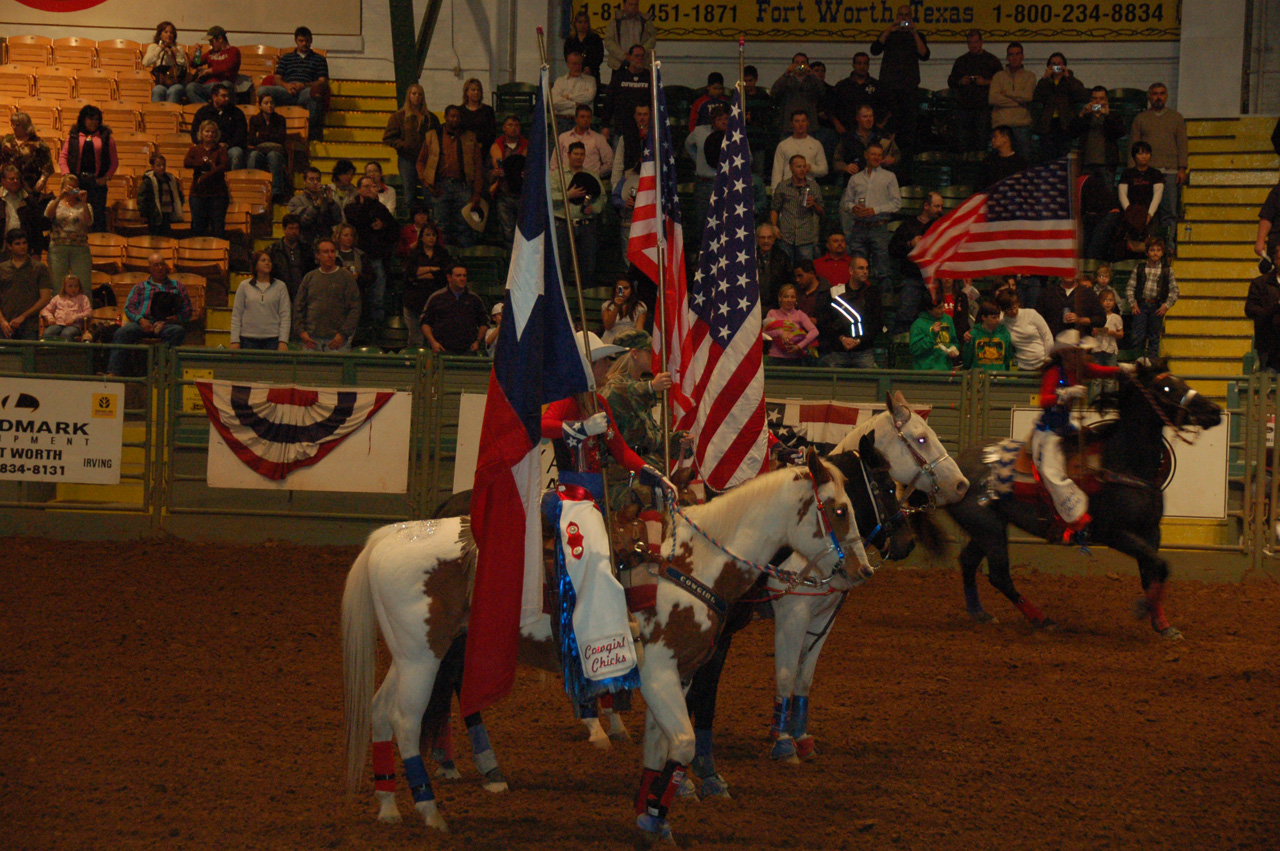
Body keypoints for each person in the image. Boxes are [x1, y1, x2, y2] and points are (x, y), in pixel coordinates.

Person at [1032, 329, 1123, 544]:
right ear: (1064, 354)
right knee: (1051, 471)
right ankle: (1073, 520)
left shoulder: (1081, 370)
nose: (1080, 357)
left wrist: (1123, 370)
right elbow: (1043, 400)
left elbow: (1102, 371)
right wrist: (1064, 394)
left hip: (1067, 427)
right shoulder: (1055, 371)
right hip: (1049, 431)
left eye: (1081, 353)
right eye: (1075, 353)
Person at [106, 253, 191, 374]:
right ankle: (113, 372)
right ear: (149, 268)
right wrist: (141, 320)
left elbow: (187, 310)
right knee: (122, 332)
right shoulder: (140, 287)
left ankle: (159, 370)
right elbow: (129, 307)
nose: (160, 268)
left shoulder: (177, 286)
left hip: (167, 324)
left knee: (178, 331)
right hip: (143, 322)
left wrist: (176, 318)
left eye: (162, 264)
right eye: (156, 265)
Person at [1128, 83, 1188, 253]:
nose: (1158, 97)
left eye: (1162, 93)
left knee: (1169, 212)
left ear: (1167, 96)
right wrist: (1133, 172)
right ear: (1149, 96)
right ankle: (1151, 247)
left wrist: (1182, 168)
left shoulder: (1176, 118)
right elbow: (1133, 146)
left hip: (1170, 172)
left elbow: (1182, 144)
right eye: (1154, 94)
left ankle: (1169, 247)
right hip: (1147, 173)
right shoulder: (1140, 119)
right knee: (1148, 213)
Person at [417, 105, 485, 250]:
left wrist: (477, 192)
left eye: (458, 117)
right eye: (452, 116)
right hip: (440, 186)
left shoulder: (470, 137)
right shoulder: (432, 136)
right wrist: (427, 182)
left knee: (465, 225)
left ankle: (465, 261)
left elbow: (478, 166)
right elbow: (421, 161)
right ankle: (443, 259)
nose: (455, 119)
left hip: (463, 186)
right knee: (441, 226)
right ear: (445, 117)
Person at [870, 5, 930, 163]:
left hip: (908, 91)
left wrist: (914, 32)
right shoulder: (889, 35)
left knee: (908, 132)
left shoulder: (917, 36)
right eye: (901, 15)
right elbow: (874, 49)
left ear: (912, 17)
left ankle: (905, 166)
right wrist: (889, 30)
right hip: (889, 90)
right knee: (887, 130)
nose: (904, 18)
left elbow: (924, 54)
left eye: (907, 15)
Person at [255, 26, 329, 141]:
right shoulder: (286, 58)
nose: (304, 44)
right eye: (301, 41)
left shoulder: (319, 59)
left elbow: (322, 81)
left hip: (305, 91)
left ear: (311, 41)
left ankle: (311, 131)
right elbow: (277, 78)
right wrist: (286, 85)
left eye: (307, 41)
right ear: (296, 41)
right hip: (287, 91)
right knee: (262, 91)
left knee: (315, 95)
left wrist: (303, 85)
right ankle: (268, 127)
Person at [840, 143, 900, 284]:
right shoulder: (855, 178)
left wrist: (875, 210)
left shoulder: (889, 177)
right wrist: (854, 208)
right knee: (857, 268)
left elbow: (897, 204)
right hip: (859, 226)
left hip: (878, 226)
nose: (876, 157)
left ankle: (884, 302)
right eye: (873, 154)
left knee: (882, 269)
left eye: (879, 155)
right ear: (866, 155)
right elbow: (846, 202)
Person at [344, 175, 398, 326]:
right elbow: (359, 221)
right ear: (359, 190)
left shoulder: (380, 208)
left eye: (372, 187)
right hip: (357, 258)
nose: (370, 190)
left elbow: (395, 231)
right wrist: (370, 202)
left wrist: (383, 226)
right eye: (366, 187)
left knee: (377, 298)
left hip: (376, 257)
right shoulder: (351, 207)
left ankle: (376, 330)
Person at [888, 189, 944, 334]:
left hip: (934, 279)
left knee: (936, 316)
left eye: (941, 206)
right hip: (912, 277)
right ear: (926, 206)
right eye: (937, 206)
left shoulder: (941, 226)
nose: (940, 210)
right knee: (905, 316)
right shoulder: (908, 225)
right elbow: (893, 249)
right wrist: (910, 244)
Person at [552, 141, 605, 291]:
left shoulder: (591, 175)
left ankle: (585, 298)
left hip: (586, 225)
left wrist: (593, 208)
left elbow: (602, 197)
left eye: (581, 154)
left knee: (587, 267)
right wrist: (568, 194)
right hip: (563, 225)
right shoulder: (557, 176)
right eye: (575, 154)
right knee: (561, 265)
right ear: (568, 155)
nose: (578, 157)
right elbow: (548, 197)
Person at [293, 237, 360, 350]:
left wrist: (343, 334)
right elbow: (299, 306)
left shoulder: (346, 277)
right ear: (317, 255)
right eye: (325, 252)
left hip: (337, 340)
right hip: (311, 339)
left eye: (332, 251)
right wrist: (302, 332)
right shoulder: (310, 277)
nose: (330, 255)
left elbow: (355, 308)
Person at [58, 106, 118, 233]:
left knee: (97, 216)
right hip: (77, 182)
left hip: (97, 184)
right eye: (91, 119)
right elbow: (63, 157)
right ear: (83, 119)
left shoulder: (106, 137)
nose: (94, 122)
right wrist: (67, 175)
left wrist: (106, 178)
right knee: (76, 214)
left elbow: (114, 162)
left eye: (97, 119)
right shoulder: (73, 136)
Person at [819, 253, 881, 368]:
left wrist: (859, 341)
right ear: (851, 271)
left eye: (867, 268)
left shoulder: (872, 294)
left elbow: (876, 322)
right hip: (839, 351)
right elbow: (826, 321)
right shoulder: (835, 294)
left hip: (864, 352)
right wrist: (841, 338)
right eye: (861, 268)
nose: (865, 271)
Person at [383, 84, 439, 208]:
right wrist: (404, 146)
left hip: (426, 160)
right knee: (410, 193)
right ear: (409, 95)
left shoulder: (430, 118)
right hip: (406, 159)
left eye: (420, 94)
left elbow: (437, 138)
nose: (417, 97)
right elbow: (388, 137)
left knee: (428, 192)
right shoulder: (398, 117)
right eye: (414, 93)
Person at [947, 30, 1003, 154]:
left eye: (976, 42)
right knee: (962, 142)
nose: (973, 45)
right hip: (964, 107)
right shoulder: (961, 61)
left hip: (983, 108)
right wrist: (961, 81)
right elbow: (951, 81)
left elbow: (1002, 81)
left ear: (981, 42)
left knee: (981, 141)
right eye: (970, 43)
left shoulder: (991, 60)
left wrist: (985, 82)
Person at [1124, 236, 1177, 361]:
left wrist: (1166, 305)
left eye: (1158, 250)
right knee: (1137, 336)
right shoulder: (1140, 268)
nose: (1155, 253)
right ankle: (1138, 363)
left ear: (1162, 252)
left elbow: (1174, 291)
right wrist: (1133, 303)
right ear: (1147, 252)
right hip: (1141, 306)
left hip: (1157, 306)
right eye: (1152, 250)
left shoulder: (1167, 270)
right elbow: (1130, 287)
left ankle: (1152, 364)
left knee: (1154, 338)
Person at [420, 263, 488, 355]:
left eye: (464, 276)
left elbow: (484, 323)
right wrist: (433, 342)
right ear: (449, 277)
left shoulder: (474, 299)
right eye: (458, 276)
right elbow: (425, 323)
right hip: (442, 350)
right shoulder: (436, 298)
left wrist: (478, 342)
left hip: (468, 351)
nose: (462, 278)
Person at [402, 221, 450, 348]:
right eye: (428, 235)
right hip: (414, 301)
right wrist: (431, 269)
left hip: (436, 302)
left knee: (434, 339)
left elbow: (443, 275)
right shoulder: (414, 253)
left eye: (433, 235)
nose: (431, 238)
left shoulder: (443, 254)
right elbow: (410, 274)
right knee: (415, 339)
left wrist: (421, 273)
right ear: (421, 237)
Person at [43, 175, 93, 296]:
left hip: (80, 248)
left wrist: (84, 201)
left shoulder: (85, 205)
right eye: (68, 187)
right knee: (57, 285)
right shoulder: (55, 203)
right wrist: (60, 196)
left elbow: (89, 222)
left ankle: (83, 312)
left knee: (83, 284)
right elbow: (47, 215)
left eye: (74, 188)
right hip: (58, 247)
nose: (71, 190)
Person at [230, 250, 291, 350]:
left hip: (273, 339)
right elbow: (237, 315)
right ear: (256, 265)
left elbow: (285, 316)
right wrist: (234, 340)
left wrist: (283, 341)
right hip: (248, 339)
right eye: (263, 260)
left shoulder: (280, 286)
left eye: (269, 261)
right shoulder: (244, 286)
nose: (267, 263)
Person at [1033, 53, 1087, 162]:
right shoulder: (1046, 82)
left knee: (1064, 157)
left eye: (1059, 64)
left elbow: (1082, 95)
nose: (1057, 66)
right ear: (1049, 66)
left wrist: (1068, 77)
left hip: (1065, 124)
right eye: (1054, 64)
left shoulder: (1070, 80)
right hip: (1048, 124)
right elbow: (1037, 97)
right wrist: (1044, 78)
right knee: (1048, 157)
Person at [685, 105, 729, 240]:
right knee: (702, 222)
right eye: (720, 119)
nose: (724, 122)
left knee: (724, 223)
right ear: (713, 120)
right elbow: (688, 145)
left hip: (726, 184)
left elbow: (747, 158)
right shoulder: (700, 131)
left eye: (726, 119)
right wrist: (699, 160)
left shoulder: (736, 134)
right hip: (704, 183)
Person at [0, 229, 53, 340]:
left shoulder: (39, 268)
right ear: (9, 246)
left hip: (29, 326)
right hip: (5, 325)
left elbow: (46, 298)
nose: (22, 246)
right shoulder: (2, 268)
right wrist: (2, 321)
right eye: (17, 244)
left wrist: (23, 316)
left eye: (24, 243)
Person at [771, 155, 824, 265]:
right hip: (786, 237)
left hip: (805, 238)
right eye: (799, 166)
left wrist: (813, 204)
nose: (802, 169)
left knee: (806, 270)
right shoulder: (782, 186)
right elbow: (774, 208)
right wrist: (774, 226)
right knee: (784, 269)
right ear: (791, 168)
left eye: (804, 166)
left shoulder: (813, 186)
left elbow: (822, 212)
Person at [988, 42, 1036, 162]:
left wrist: (1007, 93)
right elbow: (993, 99)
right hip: (1001, 126)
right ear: (1007, 57)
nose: (1014, 57)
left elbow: (1028, 97)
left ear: (1022, 56)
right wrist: (1019, 101)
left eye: (1017, 54)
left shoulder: (1030, 76)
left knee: (1024, 163)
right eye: (1011, 55)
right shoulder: (998, 76)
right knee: (998, 164)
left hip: (1022, 126)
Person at [185, 120, 231, 238]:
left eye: (212, 132)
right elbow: (187, 162)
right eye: (207, 131)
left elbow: (225, 165)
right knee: (197, 226)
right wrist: (203, 163)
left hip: (218, 193)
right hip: (198, 193)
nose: (210, 134)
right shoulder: (195, 149)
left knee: (218, 227)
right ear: (201, 133)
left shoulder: (220, 150)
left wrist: (207, 174)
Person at [1118, 141, 1165, 257]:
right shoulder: (1127, 174)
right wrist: (1130, 213)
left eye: (1147, 153)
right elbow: (1122, 193)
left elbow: (1157, 195)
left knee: (1151, 244)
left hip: (1150, 216)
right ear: (1134, 156)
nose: (1144, 156)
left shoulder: (1156, 174)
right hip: (1131, 216)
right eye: (1140, 154)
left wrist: (1149, 214)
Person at [1070, 87, 1126, 184]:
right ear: (1091, 100)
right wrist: (1081, 115)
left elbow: (1120, 132)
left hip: (1107, 165)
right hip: (1086, 164)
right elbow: (1072, 133)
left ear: (1106, 100)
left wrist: (1107, 115)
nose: (1098, 102)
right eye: (1095, 98)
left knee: (1107, 195)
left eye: (1101, 98)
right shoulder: (1086, 116)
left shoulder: (1113, 116)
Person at [190, 83, 248, 172]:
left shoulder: (236, 113)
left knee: (237, 153)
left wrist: (227, 144)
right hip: (208, 147)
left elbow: (241, 134)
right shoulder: (203, 112)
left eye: (227, 96)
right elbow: (194, 132)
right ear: (214, 97)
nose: (227, 99)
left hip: (229, 147)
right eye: (223, 96)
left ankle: (233, 181)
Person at [833, 104, 901, 180]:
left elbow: (897, 155)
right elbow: (836, 161)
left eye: (871, 116)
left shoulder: (883, 136)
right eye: (865, 117)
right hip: (855, 181)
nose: (869, 119)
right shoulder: (847, 138)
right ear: (857, 118)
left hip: (879, 181)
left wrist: (892, 160)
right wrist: (845, 167)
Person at [491, 116, 529, 247]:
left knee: (524, 230)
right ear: (504, 128)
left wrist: (529, 174)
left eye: (516, 125)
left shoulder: (528, 147)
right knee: (508, 232)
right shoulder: (496, 147)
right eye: (510, 125)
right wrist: (494, 174)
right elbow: (486, 171)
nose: (513, 128)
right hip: (504, 194)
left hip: (523, 195)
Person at [996, 289, 1054, 371]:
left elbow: (1047, 337)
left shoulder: (1031, 314)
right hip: (1021, 366)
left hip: (1042, 363)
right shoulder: (1003, 323)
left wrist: (1047, 359)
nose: (1014, 311)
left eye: (1015, 307)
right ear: (1003, 310)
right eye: (1009, 309)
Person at [770, 53, 826, 137]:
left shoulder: (812, 80)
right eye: (797, 62)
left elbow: (822, 92)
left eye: (803, 62)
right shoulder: (787, 80)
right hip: (789, 126)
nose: (800, 65)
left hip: (809, 126)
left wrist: (812, 75)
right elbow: (774, 91)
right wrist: (786, 74)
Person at [247, 92, 289, 202]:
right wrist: (270, 137)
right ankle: (253, 189)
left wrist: (261, 136)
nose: (269, 105)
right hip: (260, 150)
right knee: (253, 156)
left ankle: (276, 192)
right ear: (260, 106)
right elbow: (251, 139)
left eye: (271, 103)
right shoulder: (254, 119)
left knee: (273, 155)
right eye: (266, 103)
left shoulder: (280, 119)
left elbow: (281, 138)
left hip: (275, 150)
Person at [603, 45, 652, 138]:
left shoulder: (649, 77)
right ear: (629, 57)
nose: (640, 59)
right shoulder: (619, 76)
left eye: (642, 56)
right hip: (621, 128)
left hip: (644, 129)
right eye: (637, 56)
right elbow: (609, 101)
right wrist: (605, 125)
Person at [1038, 272, 1106, 339]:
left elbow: (1101, 319)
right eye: (1066, 270)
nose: (1069, 273)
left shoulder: (1088, 293)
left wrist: (1080, 320)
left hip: (1080, 345)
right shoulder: (1048, 292)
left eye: (1072, 270)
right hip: (1053, 343)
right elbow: (1037, 319)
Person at [0, 112, 54, 194]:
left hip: (29, 185)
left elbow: (47, 165)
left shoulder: (38, 143)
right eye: (13, 124)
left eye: (18, 125)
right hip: (7, 185)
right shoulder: (6, 140)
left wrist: (42, 180)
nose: (14, 127)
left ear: (26, 126)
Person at [771, 110, 828, 189]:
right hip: (787, 189)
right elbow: (777, 172)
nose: (800, 124)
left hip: (809, 189)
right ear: (792, 124)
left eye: (803, 121)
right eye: (797, 121)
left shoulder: (816, 144)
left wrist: (811, 169)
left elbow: (824, 170)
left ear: (808, 123)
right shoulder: (783, 145)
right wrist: (775, 192)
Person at [764, 283, 820, 363]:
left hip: (796, 358)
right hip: (776, 358)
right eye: (786, 297)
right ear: (780, 298)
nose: (789, 300)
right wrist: (780, 333)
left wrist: (799, 346)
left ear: (796, 299)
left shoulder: (800, 314)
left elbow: (814, 331)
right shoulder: (772, 313)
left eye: (792, 297)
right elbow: (765, 331)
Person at [287, 167, 342, 247]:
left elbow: (337, 219)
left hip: (324, 242)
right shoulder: (296, 201)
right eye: (311, 179)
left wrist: (331, 202)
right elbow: (303, 221)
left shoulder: (326, 200)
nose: (315, 182)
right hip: (305, 243)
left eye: (318, 179)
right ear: (305, 181)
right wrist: (317, 204)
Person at [1245, 243, 1280, 371]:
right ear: (1275, 260)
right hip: (1268, 346)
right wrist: (1275, 307)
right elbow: (1250, 310)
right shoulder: (1260, 283)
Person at [186, 26, 242, 105]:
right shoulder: (211, 53)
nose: (210, 44)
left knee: (226, 85)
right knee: (191, 87)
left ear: (220, 39)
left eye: (212, 41)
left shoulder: (233, 51)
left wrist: (209, 71)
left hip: (223, 84)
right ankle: (206, 110)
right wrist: (198, 53)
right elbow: (194, 64)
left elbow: (228, 66)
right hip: (208, 86)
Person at [832, 52, 883, 138]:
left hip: (872, 134)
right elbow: (830, 109)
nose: (862, 66)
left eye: (865, 63)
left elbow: (886, 107)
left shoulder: (877, 86)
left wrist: (881, 125)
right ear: (853, 65)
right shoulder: (842, 86)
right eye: (859, 63)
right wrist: (837, 125)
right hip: (846, 132)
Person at [0, 165, 45, 258]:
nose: (15, 181)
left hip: (24, 250)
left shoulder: (28, 200)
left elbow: (36, 227)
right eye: (11, 179)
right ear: (3, 181)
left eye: (17, 179)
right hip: (2, 249)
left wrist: (37, 252)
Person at [267, 213, 315, 300]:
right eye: (291, 228)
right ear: (284, 229)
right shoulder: (273, 250)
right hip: (281, 295)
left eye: (296, 228)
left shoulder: (307, 250)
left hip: (303, 295)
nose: (294, 231)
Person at [136, 154, 186, 237]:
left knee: (167, 235)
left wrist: (179, 204)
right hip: (154, 214)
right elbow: (142, 198)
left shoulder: (170, 179)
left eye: (164, 165)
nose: (162, 167)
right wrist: (143, 213)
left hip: (168, 213)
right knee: (155, 236)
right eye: (158, 165)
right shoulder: (148, 181)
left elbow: (178, 194)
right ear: (152, 167)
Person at [559, 106, 611, 183]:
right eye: (582, 117)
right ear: (576, 118)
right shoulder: (563, 137)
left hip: (590, 180)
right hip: (566, 180)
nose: (585, 119)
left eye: (588, 117)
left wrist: (596, 173)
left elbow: (609, 162)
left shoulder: (599, 138)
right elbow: (554, 164)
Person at [910, 289, 959, 371]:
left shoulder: (947, 320)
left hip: (946, 369)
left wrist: (953, 348)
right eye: (939, 308)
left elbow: (954, 341)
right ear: (929, 309)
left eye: (943, 306)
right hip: (926, 372)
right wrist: (932, 335)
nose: (943, 310)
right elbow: (915, 349)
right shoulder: (918, 325)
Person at [603, 0, 656, 74]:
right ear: (624, 5)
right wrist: (623, 56)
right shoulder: (615, 22)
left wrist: (639, 55)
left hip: (640, 65)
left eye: (636, 5)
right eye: (631, 4)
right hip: (619, 64)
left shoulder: (646, 22)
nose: (633, 7)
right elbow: (609, 42)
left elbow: (652, 40)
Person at [552, 52, 597, 135]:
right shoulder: (560, 81)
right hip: (561, 122)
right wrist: (575, 104)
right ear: (568, 64)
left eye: (579, 64)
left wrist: (568, 96)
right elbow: (554, 102)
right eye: (574, 64)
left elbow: (589, 97)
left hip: (582, 123)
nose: (577, 67)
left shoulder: (590, 81)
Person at [143, 21, 188, 103]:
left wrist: (176, 53)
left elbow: (183, 64)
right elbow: (146, 63)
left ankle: (170, 113)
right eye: (166, 32)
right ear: (160, 34)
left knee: (174, 90)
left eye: (171, 33)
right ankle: (156, 114)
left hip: (175, 82)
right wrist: (160, 49)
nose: (169, 35)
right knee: (157, 90)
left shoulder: (178, 48)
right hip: (161, 82)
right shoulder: (154, 47)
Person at [40, 274, 92, 341]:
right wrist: (50, 318)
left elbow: (89, 312)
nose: (73, 289)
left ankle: (66, 351)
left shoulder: (83, 298)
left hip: (74, 325)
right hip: (58, 323)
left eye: (76, 286)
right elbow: (45, 310)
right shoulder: (58, 298)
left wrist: (74, 318)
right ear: (64, 287)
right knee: (48, 332)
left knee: (66, 334)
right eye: (70, 286)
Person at [962, 301, 1012, 371]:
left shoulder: (1004, 333)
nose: (997, 320)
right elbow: (967, 358)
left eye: (998, 317)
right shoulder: (974, 333)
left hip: (999, 376)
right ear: (984, 317)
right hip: (979, 376)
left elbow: (1008, 357)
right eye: (994, 317)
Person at [601, 276, 647, 344]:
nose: (622, 291)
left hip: (630, 339)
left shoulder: (639, 307)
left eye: (626, 288)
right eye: (619, 288)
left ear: (631, 289)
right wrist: (616, 307)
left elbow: (639, 329)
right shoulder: (607, 305)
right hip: (611, 340)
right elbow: (608, 326)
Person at [757, 223, 793, 310]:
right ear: (757, 239)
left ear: (774, 239)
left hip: (776, 306)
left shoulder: (782, 257)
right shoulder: (749, 257)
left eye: (769, 237)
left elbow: (788, 283)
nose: (766, 241)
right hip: (754, 306)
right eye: (762, 237)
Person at [980, 125, 1028, 190]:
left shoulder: (1020, 162)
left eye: (995, 137)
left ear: (1005, 138)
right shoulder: (989, 161)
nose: (992, 140)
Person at [564, 11, 605, 81]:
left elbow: (599, 56)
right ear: (575, 24)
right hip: (575, 73)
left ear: (588, 24)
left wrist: (590, 68)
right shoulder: (570, 40)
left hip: (592, 73)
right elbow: (567, 56)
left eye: (585, 22)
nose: (582, 25)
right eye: (580, 22)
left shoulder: (595, 38)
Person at [459, 78, 498, 152]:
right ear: (466, 92)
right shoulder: (460, 111)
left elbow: (491, 132)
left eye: (478, 90)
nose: (476, 92)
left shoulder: (488, 110)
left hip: (484, 149)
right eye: (473, 90)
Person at [1093, 288, 1123, 368]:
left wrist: (1114, 333)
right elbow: (1090, 332)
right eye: (1105, 300)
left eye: (1111, 300)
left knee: (1110, 373)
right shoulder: (1095, 317)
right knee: (1097, 373)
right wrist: (1094, 332)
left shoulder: (1116, 317)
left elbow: (1121, 334)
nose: (1108, 303)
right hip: (1097, 348)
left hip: (1111, 349)